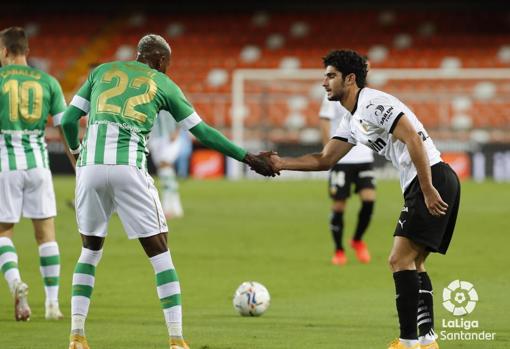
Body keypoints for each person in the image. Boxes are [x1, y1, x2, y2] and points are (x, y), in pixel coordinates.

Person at [60, 34, 273, 349]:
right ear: (160, 61)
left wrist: (78, 155)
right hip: (128, 168)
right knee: (160, 254)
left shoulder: (102, 71)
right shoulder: (163, 83)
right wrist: (248, 157)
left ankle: (77, 336)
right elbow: (202, 132)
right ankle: (176, 340)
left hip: (90, 167)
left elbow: (66, 120)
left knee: (90, 251)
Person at [266, 50, 460, 349]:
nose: (324, 83)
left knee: (399, 259)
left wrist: (427, 188)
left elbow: (413, 138)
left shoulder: (373, 103)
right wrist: (281, 164)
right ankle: (427, 339)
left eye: (331, 76)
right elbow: (325, 159)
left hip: (431, 178)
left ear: (350, 78)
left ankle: (408, 342)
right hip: (428, 181)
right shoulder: (351, 118)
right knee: (415, 262)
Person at [0, 26, 72, 321]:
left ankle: (15, 281)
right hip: (39, 166)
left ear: (5, 51)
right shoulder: (49, 82)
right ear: (26, 50)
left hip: (6, 165)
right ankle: (53, 304)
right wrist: (77, 163)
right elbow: (65, 127)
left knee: (4, 232)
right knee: (46, 234)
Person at [319, 95, 375, 265]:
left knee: (369, 200)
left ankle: (357, 240)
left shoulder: (368, 96)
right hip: (341, 159)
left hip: (364, 157)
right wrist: (328, 152)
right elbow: (324, 121)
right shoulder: (333, 96)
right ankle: (339, 250)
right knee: (338, 205)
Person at [149, 110, 185, 219]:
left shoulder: (168, 96)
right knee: (163, 170)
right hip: (155, 138)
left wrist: (177, 131)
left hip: (170, 136)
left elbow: (181, 114)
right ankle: (176, 208)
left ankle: (167, 207)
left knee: (165, 165)